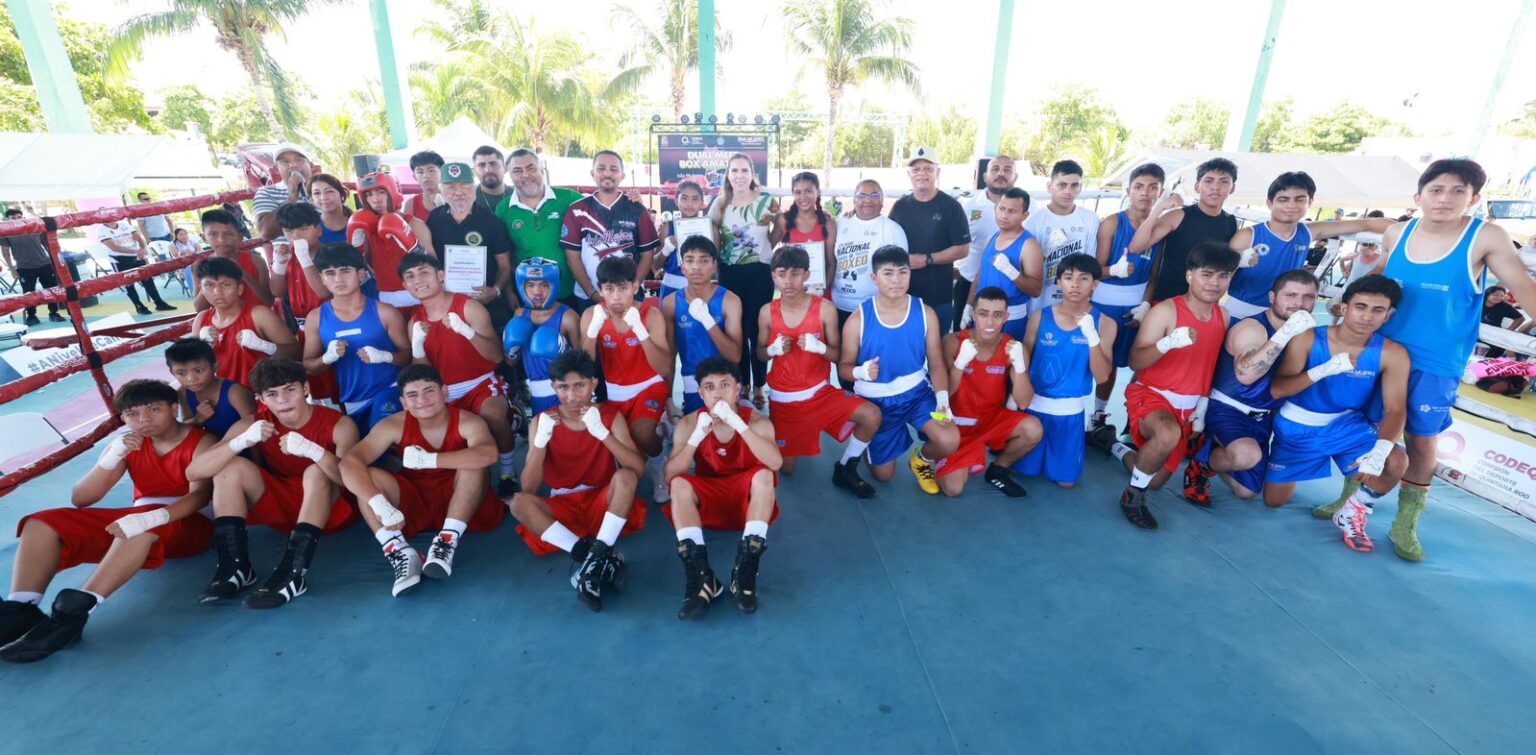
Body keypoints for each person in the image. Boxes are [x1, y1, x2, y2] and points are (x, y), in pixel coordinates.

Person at [1349, 159, 1536, 561]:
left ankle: (1406, 522)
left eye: (1457, 191)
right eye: (1436, 190)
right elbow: (1376, 280)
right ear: (1419, 196)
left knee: (1421, 440)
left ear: (1474, 198)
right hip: (1383, 351)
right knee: (1366, 428)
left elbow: (1522, 286)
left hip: (1436, 361)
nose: (1445, 199)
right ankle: (1350, 500)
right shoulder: (1398, 233)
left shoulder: (1485, 236)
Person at [0, 380, 217, 664]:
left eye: (154, 410)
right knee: (42, 522)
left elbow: (199, 497)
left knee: (135, 527)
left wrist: (150, 518)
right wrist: (111, 457)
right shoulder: (130, 443)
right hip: (139, 519)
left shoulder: (202, 440)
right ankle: (22, 607)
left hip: (191, 523)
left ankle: (73, 615)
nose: (144, 420)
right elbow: (82, 498)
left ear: (173, 408)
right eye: (132, 414)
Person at [185, 358, 358, 608]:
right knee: (229, 468)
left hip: (332, 509)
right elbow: (194, 472)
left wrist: (315, 452)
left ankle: (293, 573)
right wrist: (241, 441)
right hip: (284, 510)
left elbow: (351, 482)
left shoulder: (339, 424)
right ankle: (236, 568)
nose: (282, 401)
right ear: (262, 399)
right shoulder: (256, 422)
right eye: (272, 394)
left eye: (290, 390)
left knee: (315, 471)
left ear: (306, 389)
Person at [1267, 276, 1410, 555]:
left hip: (1346, 427)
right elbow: (1277, 389)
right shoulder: (1309, 337)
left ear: (1388, 315)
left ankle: (1354, 510)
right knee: (1273, 501)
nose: (1367, 316)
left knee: (1396, 460)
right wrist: (1323, 369)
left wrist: (1380, 450)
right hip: (1298, 427)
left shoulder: (1393, 353)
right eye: (1361, 306)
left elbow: (1395, 409)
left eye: (1377, 310)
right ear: (1344, 308)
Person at [338, 365, 503, 597]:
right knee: (368, 479)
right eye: (412, 395)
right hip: (415, 502)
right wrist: (379, 504)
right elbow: (349, 462)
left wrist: (431, 460)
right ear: (403, 402)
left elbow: (488, 454)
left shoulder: (467, 420)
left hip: (462, 500)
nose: (422, 400)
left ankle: (446, 541)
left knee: (473, 465)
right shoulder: (392, 425)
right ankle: (398, 550)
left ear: (444, 392)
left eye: (429, 391)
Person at [1111, 242, 1238, 529]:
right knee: (1166, 434)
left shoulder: (1224, 316)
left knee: (1154, 480)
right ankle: (1132, 497)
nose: (1214, 283)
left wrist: (1201, 410)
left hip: (1188, 406)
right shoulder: (1166, 312)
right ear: (1190, 275)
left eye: (1223, 276)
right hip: (1151, 394)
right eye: (1207, 274)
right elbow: (1136, 361)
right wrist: (1168, 343)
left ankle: (1115, 448)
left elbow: (1209, 365)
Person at [509, 351, 646, 611]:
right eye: (563, 387)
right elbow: (527, 488)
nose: (571, 396)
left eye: (579, 386)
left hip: (603, 505)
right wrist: (539, 443)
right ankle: (590, 556)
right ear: (553, 388)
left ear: (593, 384)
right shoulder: (542, 421)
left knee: (625, 477)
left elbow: (637, 470)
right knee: (518, 503)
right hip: (562, 507)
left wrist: (603, 434)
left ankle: (594, 557)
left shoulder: (609, 417)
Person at [1181, 270, 1320, 506]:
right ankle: (1202, 465)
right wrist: (1286, 333)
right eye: (1291, 295)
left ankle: (1214, 445)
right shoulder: (1253, 327)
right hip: (1226, 408)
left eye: (1308, 297)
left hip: (1263, 417)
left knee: (1246, 492)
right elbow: (1246, 375)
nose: (1299, 304)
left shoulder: (1306, 334)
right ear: (1272, 297)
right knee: (1246, 456)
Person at [665, 357, 783, 618]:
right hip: (709, 506)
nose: (717, 392)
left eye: (724, 385)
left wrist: (739, 425)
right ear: (700, 392)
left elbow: (775, 463)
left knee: (764, 476)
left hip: (749, 507)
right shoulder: (687, 425)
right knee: (680, 484)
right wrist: (697, 437)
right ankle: (703, 578)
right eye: (709, 387)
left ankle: (744, 572)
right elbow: (669, 476)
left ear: (738, 389)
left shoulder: (757, 423)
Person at [758, 244, 880, 496]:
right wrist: (771, 350)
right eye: (782, 274)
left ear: (806, 274)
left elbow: (838, 356)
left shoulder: (824, 308)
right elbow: (758, 353)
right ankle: (803, 431)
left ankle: (846, 466)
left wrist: (820, 347)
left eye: (795, 273)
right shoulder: (766, 313)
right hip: (785, 402)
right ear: (773, 277)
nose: (788, 280)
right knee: (786, 468)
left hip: (820, 394)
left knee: (872, 415)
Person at [838, 245, 961, 494]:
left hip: (917, 394)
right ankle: (867, 436)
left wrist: (942, 398)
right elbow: (843, 368)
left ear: (910, 274)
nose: (896, 280)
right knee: (884, 476)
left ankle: (921, 458)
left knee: (949, 439)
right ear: (874, 278)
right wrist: (860, 372)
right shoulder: (858, 319)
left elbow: (936, 362)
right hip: (877, 402)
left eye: (902, 272)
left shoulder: (926, 313)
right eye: (888, 273)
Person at [400, 251, 519, 497]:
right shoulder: (415, 323)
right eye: (410, 276)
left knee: (493, 414)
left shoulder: (468, 307)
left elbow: (497, 356)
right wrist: (417, 346)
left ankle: (508, 472)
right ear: (405, 285)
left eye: (424, 272)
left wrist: (467, 332)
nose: (418, 280)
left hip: (480, 384)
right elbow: (422, 374)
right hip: (442, 392)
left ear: (440, 275)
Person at [1225, 172, 1394, 319]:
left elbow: (1366, 224)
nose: (1291, 205)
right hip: (1241, 311)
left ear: (1310, 202)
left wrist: (1412, 232)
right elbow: (1219, 276)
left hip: (1286, 315)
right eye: (1283, 199)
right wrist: (1238, 260)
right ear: (1270, 203)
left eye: (1299, 199)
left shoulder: (1308, 232)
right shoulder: (1248, 235)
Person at [1014, 256, 1115, 488]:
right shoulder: (1039, 317)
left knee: (1066, 482)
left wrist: (1092, 337)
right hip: (1033, 409)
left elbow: (1101, 378)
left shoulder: (1105, 323)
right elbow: (1023, 362)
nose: (1075, 284)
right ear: (1059, 282)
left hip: (1069, 413)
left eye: (1084, 278)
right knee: (1022, 471)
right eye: (1068, 278)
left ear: (1095, 284)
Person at [579, 255, 673, 501]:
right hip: (614, 393)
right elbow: (583, 368)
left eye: (622, 288)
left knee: (642, 433)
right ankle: (659, 431)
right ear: (601, 290)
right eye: (609, 289)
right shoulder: (592, 315)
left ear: (634, 287)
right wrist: (591, 333)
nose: (617, 296)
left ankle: (660, 470)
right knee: (624, 459)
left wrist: (640, 332)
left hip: (649, 387)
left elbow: (663, 368)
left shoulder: (650, 316)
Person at [935, 286, 1040, 497]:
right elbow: (945, 393)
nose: (990, 322)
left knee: (1033, 429)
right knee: (952, 489)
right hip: (956, 424)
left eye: (997, 315)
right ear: (974, 314)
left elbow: (1024, 402)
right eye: (983, 314)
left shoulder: (1014, 347)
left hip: (990, 420)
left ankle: (998, 469)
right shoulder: (953, 342)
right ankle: (945, 454)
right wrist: (960, 363)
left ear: (1006, 317)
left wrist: (1019, 367)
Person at [1091, 163, 1165, 430]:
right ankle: (1093, 414)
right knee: (1102, 364)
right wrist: (1113, 269)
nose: (1145, 193)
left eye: (1153, 188)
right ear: (1128, 190)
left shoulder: (1160, 229)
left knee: (1135, 365)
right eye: (1139, 187)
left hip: (1134, 308)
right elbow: (1094, 270)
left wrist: (1146, 304)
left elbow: (1154, 275)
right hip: (1102, 305)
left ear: (1160, 193)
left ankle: (1125, 419)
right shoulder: (1112, 222)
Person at [305, 244, 411, 431]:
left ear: (361, 275)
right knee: (369, 452)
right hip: (353, 400)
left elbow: (409, 356)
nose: (338, 279)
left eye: (345, 271)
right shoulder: (316, 318)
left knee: (383, 441)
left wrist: (385, 356)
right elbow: (309, 366)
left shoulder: (385, 312)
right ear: (322, 279)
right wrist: (327, 358)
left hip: (390, 389)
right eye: (330, 273)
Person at [708, 153, 781, 406]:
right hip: (730, 274)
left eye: (744, 170)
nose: (739, 175)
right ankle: (743, 384)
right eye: (734, 171)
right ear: (728, 175)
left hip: (760, 273)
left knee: (757, 331)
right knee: (735, 331)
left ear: (752, 174)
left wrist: (766, 249)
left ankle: (760, 385)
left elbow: (779, 227)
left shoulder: (766, 200)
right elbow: (713, 238)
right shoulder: (719, 204)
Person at [1131, 158, 1240, 303]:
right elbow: (1135, 247)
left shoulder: (1230, 222)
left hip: (1204, 304)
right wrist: (1160, 208)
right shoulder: (1178, 216)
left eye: (1223, 182)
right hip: (1166, 299)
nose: (1215, 187)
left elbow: (1226, 266)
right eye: (1209, 181)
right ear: (1197, 186)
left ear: (1232, 188)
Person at [888, 146, 971, 336]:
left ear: (937, 172)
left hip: (938, 299)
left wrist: (927, 259)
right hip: (903, 297)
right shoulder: (900, 206)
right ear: (909, 174)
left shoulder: (951, 207)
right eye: (916, 170)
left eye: (928, 168)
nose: (922, 174)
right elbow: (885, 238)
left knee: (936, 356)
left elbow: (963, 249)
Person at [562, 151, 660, 305]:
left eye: (614, 169)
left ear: (622, 175)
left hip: (630, 296)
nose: (607, 173)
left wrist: (632, 288)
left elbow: (647, 254)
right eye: (601, 168)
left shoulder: (637, 209)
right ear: (592, 173)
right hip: (589, 296)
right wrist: (591, 292)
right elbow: (572, 257)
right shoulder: (576, 210)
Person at [427, 161, 515, 329]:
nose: (459, 192)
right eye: (451, 187)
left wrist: (495, 290)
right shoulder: (433, 220)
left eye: (466, 186)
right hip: (446, 305)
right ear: (441, 190)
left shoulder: (492, 222)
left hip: (487, 305)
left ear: (475, 189)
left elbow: (504, 265)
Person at [188, 257, 298, 390]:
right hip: (223, 397)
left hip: (262, 395)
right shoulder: (201, 319)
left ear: (239, 289)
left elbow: (296, 352)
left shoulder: (259, 315)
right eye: (209, 285)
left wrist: (265, 346)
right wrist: (205, 346)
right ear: (202, 289)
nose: (217, 291)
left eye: (226, 285)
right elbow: (191, 366)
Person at [663, 235, 743, 413]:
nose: (696, 267)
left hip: (726, 382)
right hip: (692, 384)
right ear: (682, 266)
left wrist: (707, 321)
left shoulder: (730, 301)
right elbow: (669, 355)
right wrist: (668, 398)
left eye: (704, 260)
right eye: (690, 260)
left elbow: (735, 356)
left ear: (714, 265)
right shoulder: (670, 303)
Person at [498, 148, 586, 308]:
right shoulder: (503, 210)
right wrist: (509, 293)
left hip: (571, 290)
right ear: (509, 176)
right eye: (517, 171)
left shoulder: (570, 198)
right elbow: (503, 256)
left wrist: (632, 201)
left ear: (542, 170)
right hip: (528, 294)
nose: (525, 175)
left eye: (531, 168)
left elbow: (602, 210)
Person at [504, 257, 579, 417]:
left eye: (544, 285)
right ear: (521, 286)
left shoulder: (568, 317)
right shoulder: (520, 314)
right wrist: (512, 350)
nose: (537, 291)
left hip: (567, 395)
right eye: (530, 285)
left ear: (554, 285)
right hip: (538, 395)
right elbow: (511, 361)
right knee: (542, 440)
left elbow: (584, 364)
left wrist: (563, 352)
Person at [1023, 160, 1100, 313]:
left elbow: (1090, 265)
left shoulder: (1090, 219)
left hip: (1075, 301)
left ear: (1080, 188)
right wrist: (1044, 252)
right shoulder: (1033, 222)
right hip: (1041, 300)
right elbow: (1025, 271)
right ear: (1050, 187)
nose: (1068, 191)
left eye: (1074, 185)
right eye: (1062, 185)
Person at [964, 187, 1041, 339]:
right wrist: (968, 305)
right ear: (995, 209)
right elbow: (980, 276)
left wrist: (1011, 272)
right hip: (982, 316)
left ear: (1024, 215)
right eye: (1002, 208)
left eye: (1012, 211)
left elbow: (1036, 289)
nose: (1004, 215)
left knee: (1006, 362)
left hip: (1010, 319)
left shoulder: (1028, 245)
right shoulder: (990, 239)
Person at [957, 155, 1019, 330]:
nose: (1001, 174)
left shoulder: (1030, 207)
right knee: (962, 342)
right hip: (969, 283)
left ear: (1015, 176)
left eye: (1007, 170)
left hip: (1009, 287)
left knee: (1001, 345)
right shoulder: (968, 206)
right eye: (995, 169)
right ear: (985, 176)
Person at [832, 179, 908, 324]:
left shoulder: (892, 229)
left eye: (874, 196)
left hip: (874, 308)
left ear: (882, 201)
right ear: (854, 201)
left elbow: (901, 272)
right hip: (839, 306)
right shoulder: (841, 224)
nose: (867, 200)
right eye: (861, 196)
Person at [350, 171, 424, 311]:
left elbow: (433, 263)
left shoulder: (414, 224)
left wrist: (415, 248)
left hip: (419, 297)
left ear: (393, 191)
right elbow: (366, 268)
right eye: (368, 195)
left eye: (381, 192)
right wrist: (357, 249)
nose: (376, 199)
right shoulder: (366, 228)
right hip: (385, 299)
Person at [165, 337, 255, 438]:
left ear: (215, 367)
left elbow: (254, 428)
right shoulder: (183, 393)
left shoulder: (235, 393)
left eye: (199, 370)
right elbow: (186, 423)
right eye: (181, 373)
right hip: (211, 447)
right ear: (172, 373)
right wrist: (198, 419)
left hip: (243, 447)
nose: (191, 379)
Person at [194, 209, 273, 310]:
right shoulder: (200, 265)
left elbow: (269, 301)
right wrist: (209, 278)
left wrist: (243, 274)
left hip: (258, 321)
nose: (221, 240)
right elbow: (199, 308)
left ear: (239, 236)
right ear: (204, 237)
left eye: (228, 234)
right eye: (213, 234)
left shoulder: (256, 261)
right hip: (225, 323)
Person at [271, 202, 331, 330]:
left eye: (303, 229)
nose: (296, 236)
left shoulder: (330, 254)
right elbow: (277, 292)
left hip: (331, 322)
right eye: (289, 231)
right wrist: (279, 264)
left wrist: (304, 257)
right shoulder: (288, 256)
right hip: (302, 325)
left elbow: (324, 292)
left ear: (318, 230)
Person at [0, 207, 65, 325]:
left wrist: (54, 261)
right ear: (7, 220)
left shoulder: (34, 228)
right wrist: (12, 269)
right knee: (29, 293)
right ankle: (32, 316)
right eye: (13, 218)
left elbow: (47, 245)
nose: (16, 219)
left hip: (45, 264)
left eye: (19, 217)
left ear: (23, 217)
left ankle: (54, 313)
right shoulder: (5, 233)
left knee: (51, 290)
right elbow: (5, 252)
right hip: (24, 268)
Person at [100, 216, 176, 315]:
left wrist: (143, 250)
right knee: (129, 285)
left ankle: (159, 303)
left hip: (137, 257)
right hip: (119, 260)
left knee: (148, 281)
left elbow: (139, 238)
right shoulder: (102, 231)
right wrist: (136, 251)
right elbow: (114, 248)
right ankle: (139, 306)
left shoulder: (124, 225)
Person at [655, 180, 715, 302]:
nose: (689, 204)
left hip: (702, 289)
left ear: (702, 203)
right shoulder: (668, 227)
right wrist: (666, 250)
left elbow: (716, 264)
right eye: (685, 198)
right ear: (676, 201)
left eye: (695, 199)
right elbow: (655, 265)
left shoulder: (710, 228)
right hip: (671, 288)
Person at [783, 171, 837, 296]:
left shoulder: (828, 223)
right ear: (793, 194)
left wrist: (821, 291)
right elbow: (767, 249)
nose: (803, 197)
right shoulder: (784, 220)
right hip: (792, 293)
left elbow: (831, 262)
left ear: (817, 192)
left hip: (821, 294)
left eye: (808, 191)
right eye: (798, 192)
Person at [253, 144, 312, 240]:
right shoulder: (267, 193)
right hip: (289, 253)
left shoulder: (324, 187)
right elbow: (266, 232)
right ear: (276, 169)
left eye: (299, 160)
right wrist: (292, 196)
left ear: (310, 165)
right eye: (285, 162)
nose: (293, 165)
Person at [401, 149, 444, 250]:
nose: (426, 176)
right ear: (414, 177)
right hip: (426, 260)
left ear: (442, 173)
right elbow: (409, 240)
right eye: (420, 172)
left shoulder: (455, 198)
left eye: (431, 170)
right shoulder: (411, 204)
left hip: (454, 255)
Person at [1480, 286, 1527, 359]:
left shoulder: (1504, 306)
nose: (1498, 298)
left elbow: (1520, 318)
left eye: (1502, 296)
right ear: (1487, 294)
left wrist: (1509, 330)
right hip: (1475, 330)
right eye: (1495, 295)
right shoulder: (1478, 302)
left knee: (1497, 347)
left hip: (1493, 333)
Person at [308, 174, 352, 246]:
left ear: (341, 194)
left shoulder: (357, 221)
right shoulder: (311, 228)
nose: (323, 197)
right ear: (311, 199)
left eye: (329, 191)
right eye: (317, 193)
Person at [471, 145, 509, 213]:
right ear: (474, 170)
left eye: (493, 164)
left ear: (505, 167)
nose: (488, 170)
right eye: (482, 165)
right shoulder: (468, 199)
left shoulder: (519, 197)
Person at [171, 227, 200, 294]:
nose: (184, 236)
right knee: (189, 269)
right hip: (183, 265)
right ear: (176, 236)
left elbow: (200, 251)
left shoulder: (193, 241)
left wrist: (194, 254)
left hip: (196, 262)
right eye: (181, 234)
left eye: (185, 234)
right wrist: (183, 252)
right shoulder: (172, 244)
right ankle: (194, 291)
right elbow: (175, 255)